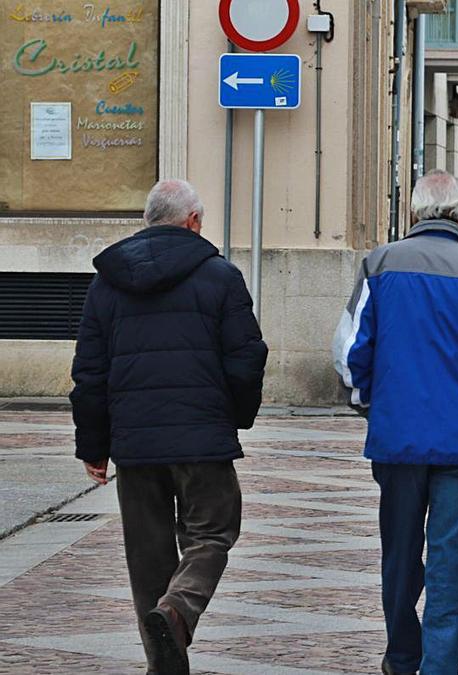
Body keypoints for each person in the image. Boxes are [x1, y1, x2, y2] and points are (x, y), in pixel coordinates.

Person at [332, 170, 458, 675]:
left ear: (414, 214)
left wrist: (372, 407)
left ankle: (402, 655)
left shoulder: (378, 265)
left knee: (399, 557)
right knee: (450, 565)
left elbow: (349, 354)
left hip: (397, 441)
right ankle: (439, 666)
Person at [70, 179, 267, 675]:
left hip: (135, 445)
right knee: (213, 532)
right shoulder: (220, 277)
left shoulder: (106, 282)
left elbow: (89, 372)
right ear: (193, 221)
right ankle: (178, 608)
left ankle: (164, 660)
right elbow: (246, 359)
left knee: (147, 556)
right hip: (202, 439)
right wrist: (234, 417)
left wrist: (94, 445)